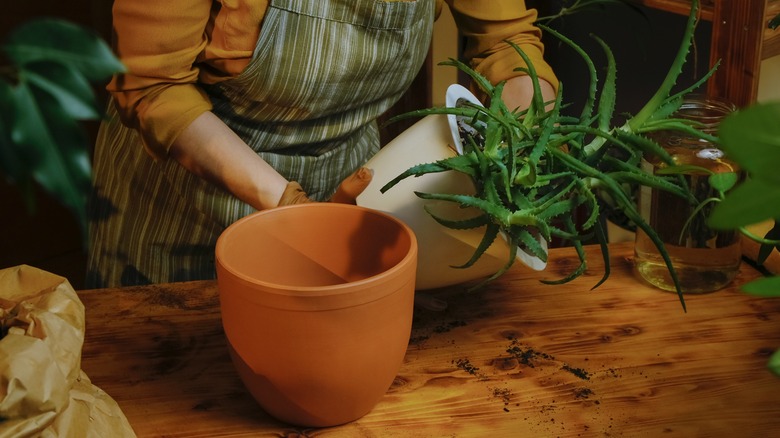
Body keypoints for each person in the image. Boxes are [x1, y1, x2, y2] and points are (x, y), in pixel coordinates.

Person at [86, 0, 558, 288]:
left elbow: (505, 41)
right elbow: (154, 86)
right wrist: (289, 203)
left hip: (349, 197)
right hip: (184, 213)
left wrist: (532, 125)